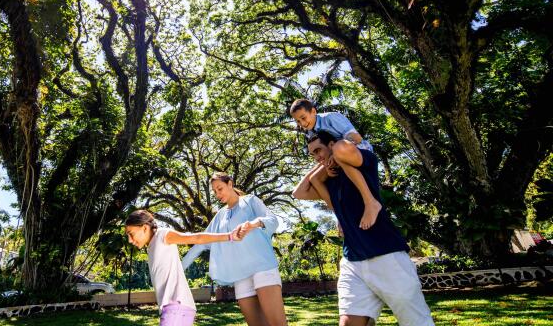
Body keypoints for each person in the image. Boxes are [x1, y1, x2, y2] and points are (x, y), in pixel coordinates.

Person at [292, 131, 434, 326]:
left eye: (319, 150)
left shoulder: (365, 162)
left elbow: (343, 149)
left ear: (332, 144)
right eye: (312, 155)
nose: (317, 157)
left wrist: (335, 156)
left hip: (387, 256)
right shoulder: (330, 181)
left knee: (416, 322)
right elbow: (299, 192)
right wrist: (322, 166)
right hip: (353, 262)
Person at [182, 172, 288, 326]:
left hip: (263, 268)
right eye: (215, 192)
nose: (218, 194)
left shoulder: (251, 201)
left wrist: (254, 224)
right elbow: (202, 241)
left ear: (230, 184)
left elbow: (272, 220)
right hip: (240, 276)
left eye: (220, 188)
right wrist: (179, 268)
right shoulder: (220, 216)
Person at [125, 209, 244, 326]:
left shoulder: (163, 235)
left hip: (177, 305)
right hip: (172, 308)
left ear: (145, 228)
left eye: (131, 234)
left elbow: (195, 238)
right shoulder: (151, 246)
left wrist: (230, 236)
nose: (130, 240)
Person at [290, 98, 381, 229]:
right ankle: (340, 215)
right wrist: (326, 165)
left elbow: (356, 138)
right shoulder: (311, 132)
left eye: (303, 118)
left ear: (313, 111)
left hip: (358, 151)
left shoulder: (331, 118)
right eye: (298, 121)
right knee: (314, 178)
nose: (302, 123)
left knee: (338, 150)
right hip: (337, 157)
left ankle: (371, 202)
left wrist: (334, 154)